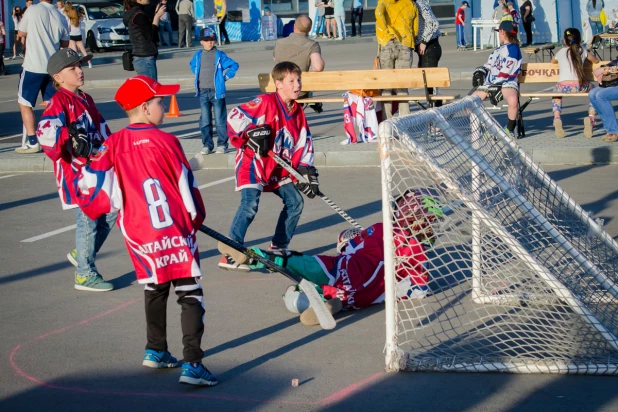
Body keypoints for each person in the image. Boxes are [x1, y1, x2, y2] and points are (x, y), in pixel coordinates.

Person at [71, 75, 216, 386]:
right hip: (174, 229)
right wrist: (196, 219)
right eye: (160, 101)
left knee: (155, 286)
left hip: (139, 233)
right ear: (146, 107)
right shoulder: (168, 142)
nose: (163, 106)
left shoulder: (112, 144)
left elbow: (93, 191)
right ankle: (193, 364)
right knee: (190, 293)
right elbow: (187, 190)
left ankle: (156, 350)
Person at [247, 189, 443, 325]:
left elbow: (348, 247)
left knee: (307, 270)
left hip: (351, 268)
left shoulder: (381, 227)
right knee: (342, 289)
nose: (432, 228)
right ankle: (333, 302)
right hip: (363, 296)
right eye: (431, 223)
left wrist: (346, 239)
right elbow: (419, 289)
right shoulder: (416, 250)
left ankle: (267, 258)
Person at [220, 62, 316, 270]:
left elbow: (303, 142)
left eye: (298, 80)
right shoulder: (264, 102)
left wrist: (307, 170)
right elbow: (235, 116)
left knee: (296, 202)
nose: (297, 84)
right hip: (253, 162)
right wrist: (250, 133)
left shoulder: (298, 111)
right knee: (250, 204)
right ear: (278, 84)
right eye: (291, 81)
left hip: (277, 167)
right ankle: (231, 252)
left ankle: (278, 249)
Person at [36, 49, 117, 291]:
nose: (79, 70)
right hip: (75, 175)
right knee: (88, 220)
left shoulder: (86, 98)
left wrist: (114, 151)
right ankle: (84, 273)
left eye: (80, 65)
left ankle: (82, 253)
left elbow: (103, 130)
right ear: (58, 78)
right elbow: (45, 130)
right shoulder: (58, 101)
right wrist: (68, 135)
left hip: (95, 170)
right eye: (72, 68)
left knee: (112, 210)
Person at [15, 0, 69, 155]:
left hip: (33, 65)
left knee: (25, 103)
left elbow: (21, 32)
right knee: (52, 105)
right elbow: (64, 43)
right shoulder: (60, 15)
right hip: (52, 67)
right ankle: (56, 139)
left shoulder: (32, 10)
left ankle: (32, 142)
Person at [190, 27, 239, 155]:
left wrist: (225, 77)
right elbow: (192, 65)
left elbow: (234, 65)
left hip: (217, 92)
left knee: (220, 120)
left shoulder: (220, 55)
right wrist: (197, 74)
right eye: (206, 40)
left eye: (212, 40)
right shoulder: (198, 55)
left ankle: (222, 144)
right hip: (202, 92)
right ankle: (207, 145)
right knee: (205, 120)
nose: (209, 43)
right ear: (201, 41)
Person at [473, 20, 522, 137]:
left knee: (512, 100)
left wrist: (497, 84)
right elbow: (489, 65)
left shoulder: (514, 49)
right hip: (490, 83)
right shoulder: (496, 50)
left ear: (502, 32)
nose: (498, 34)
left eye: (499, 32)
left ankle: (509, 129)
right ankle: (489, 127)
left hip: (507, 82)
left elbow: (509, 68)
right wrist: (481, 70)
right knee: (471, 102)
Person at [550, 28, 599, 139]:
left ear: (564, 40)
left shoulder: (561, 52)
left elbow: (552, 62)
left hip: (562, 87)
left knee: (556, 92)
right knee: (595, 91)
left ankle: (557, 117)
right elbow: (596, 61)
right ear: (580, 39)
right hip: (579, 86)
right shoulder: (582, 50)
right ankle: (591, 117)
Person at [375, 0, 418, 119]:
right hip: (405, 43)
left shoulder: (384, 1)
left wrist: (387, 33)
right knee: (402, 86)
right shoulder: (411, 4)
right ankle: (404, 120)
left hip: (387, 42)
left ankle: (386, 122)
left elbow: (378, 14)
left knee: (386, 86)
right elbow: (415, 28)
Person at [124, 0, 166, 80]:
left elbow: (144, 30)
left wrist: (155, 15)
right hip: (145, 57)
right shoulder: (139, 15)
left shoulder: (133, 12)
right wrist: (157, 16)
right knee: (150, 89)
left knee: (146, 89)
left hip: (140, 56)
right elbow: (151, 36)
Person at [414, 0, 442, 106]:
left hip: (430, 46)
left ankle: (435, 111)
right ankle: (434, 109)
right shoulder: (417, 3)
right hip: (428, 47)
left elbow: (433, 22)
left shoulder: (420, 4)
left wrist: (424, 42)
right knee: (429, 84)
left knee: (430, 84)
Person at [590, 57, 618, 142]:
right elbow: (612, 64)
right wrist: (605, 69)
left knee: (601, 95)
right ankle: (608, 128)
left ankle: (614, 131)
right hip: (614, 84)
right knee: (592, 94)